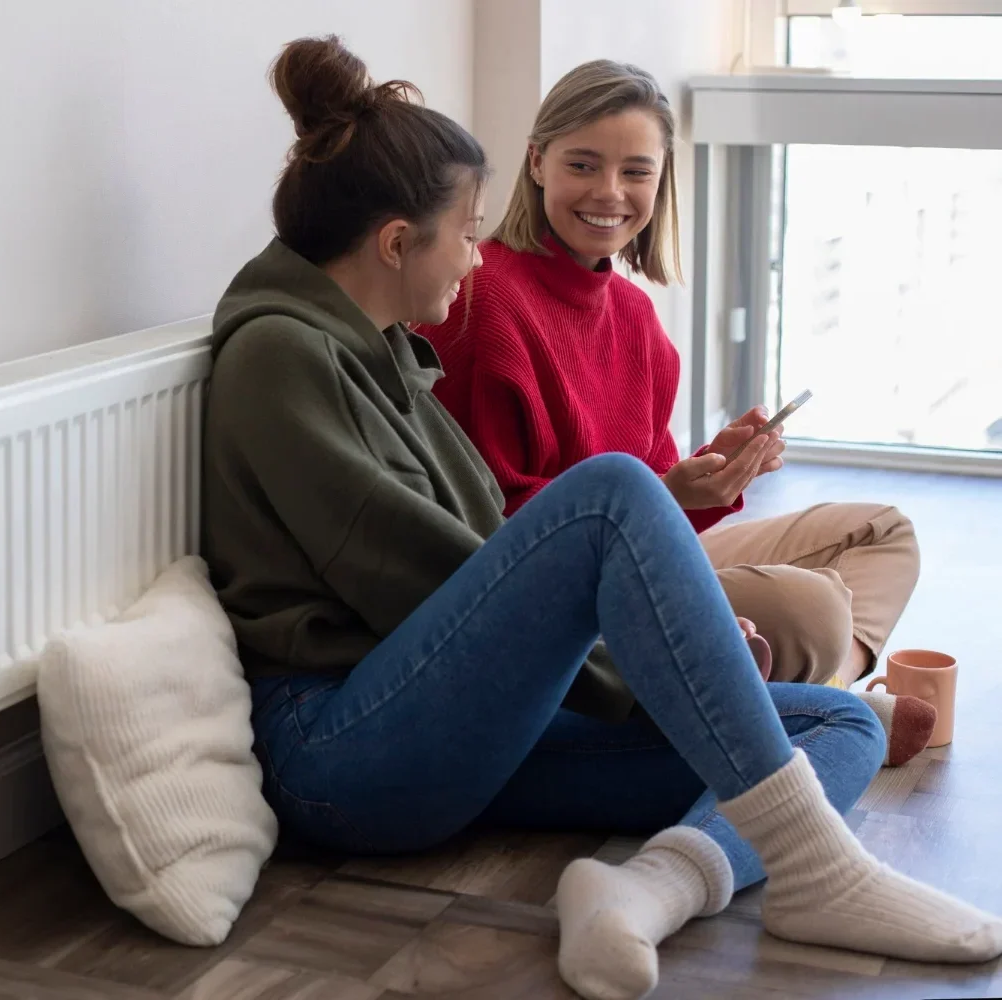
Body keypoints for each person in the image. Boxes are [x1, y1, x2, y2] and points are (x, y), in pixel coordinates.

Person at [202, 36, 1002, 1000]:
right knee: (618, 489)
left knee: (839, 725)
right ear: (395, 242)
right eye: (466, 229)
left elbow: (475, 577)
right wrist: (645, 672)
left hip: (462, 725)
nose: (475, 253)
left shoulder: (381, 353)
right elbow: (419, 582)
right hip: (344, 749)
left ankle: (643, 896)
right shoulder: (282, 358)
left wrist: (678, 660)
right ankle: (820, 869)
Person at [418, 58, 934, 768]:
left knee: (884, 532)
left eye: (636, 171)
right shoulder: (485, 304)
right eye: (583, 165)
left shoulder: (634, 317)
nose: (610, 193)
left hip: (644, 562)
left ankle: (831, 689)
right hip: (563, 597)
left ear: (662, 182)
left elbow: (658, 504)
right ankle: (815, 707)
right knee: (814, 608)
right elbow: (494, 533)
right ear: (538, 164)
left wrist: (708, 476)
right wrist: (667, 496)